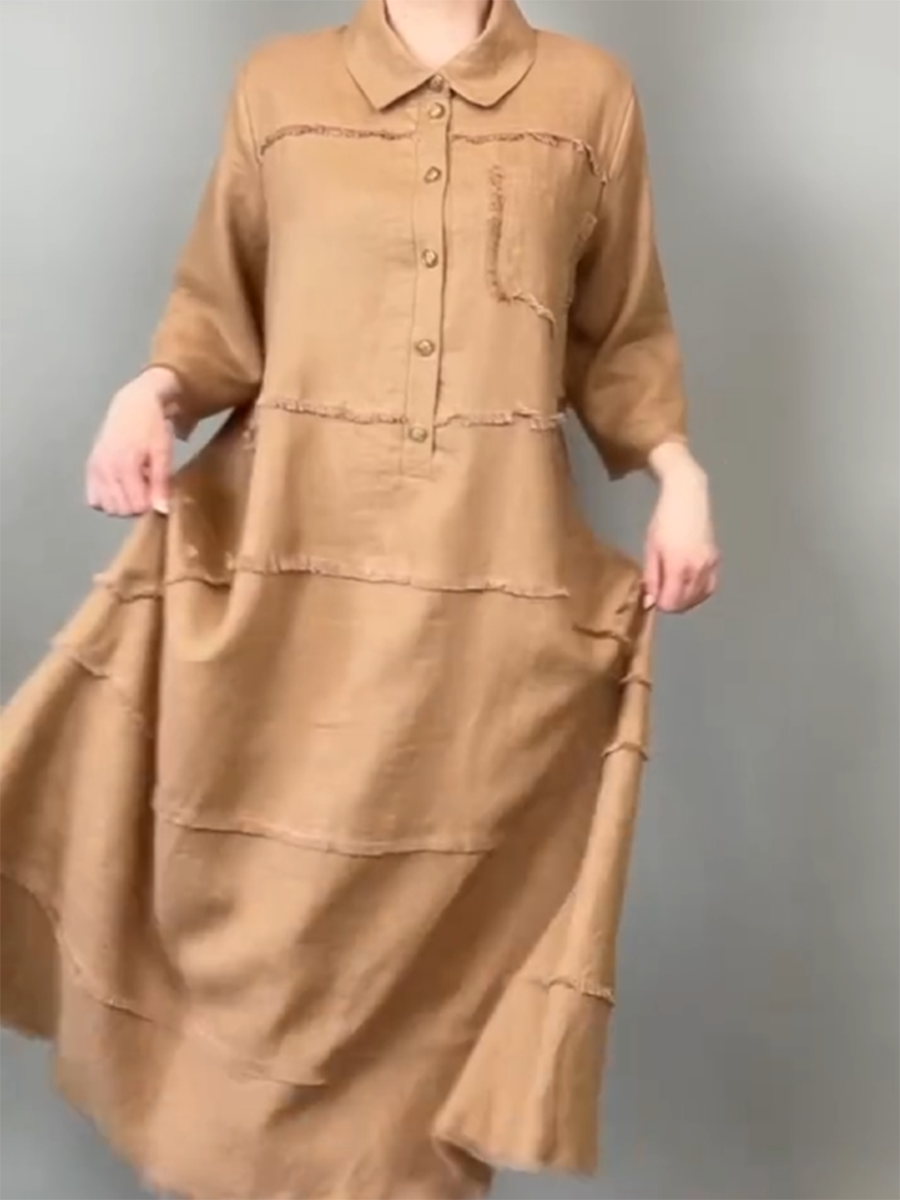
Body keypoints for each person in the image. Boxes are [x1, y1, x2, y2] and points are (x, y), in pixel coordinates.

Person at [0, 1, 719, 1198]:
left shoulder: (589, 96)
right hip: (285, 607)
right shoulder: (278, 86)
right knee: (259, 959)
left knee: (437, 999)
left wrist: (680, 475)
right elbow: (217, 317)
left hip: (484, 627)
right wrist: (152, 393)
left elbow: (621, 341)